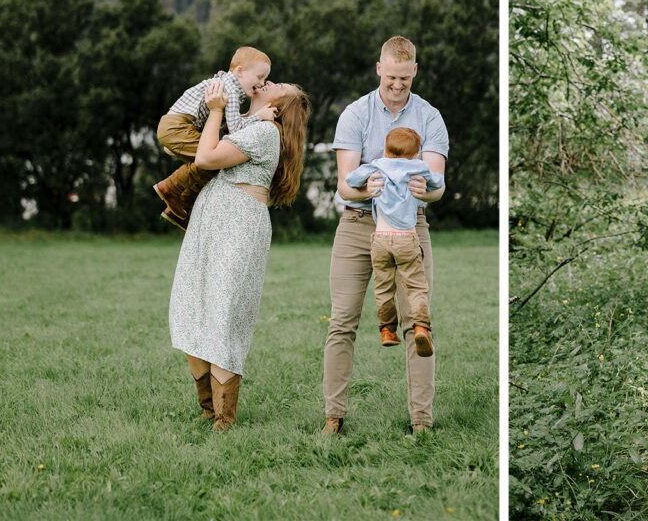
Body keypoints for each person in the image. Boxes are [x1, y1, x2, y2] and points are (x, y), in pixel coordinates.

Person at [322, 36, 448, 436]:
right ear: (379, 69)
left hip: (411, 230)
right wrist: (368, 190)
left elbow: (437, 184)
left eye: (404, 79)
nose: (397, 85)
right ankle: (334, 418)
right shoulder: (355, 114)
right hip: (358, 227)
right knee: (342, 321)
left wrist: (422, 191)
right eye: (391, 77)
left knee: (419, 322)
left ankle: (421, 423)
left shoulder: (430, 117)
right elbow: (344, 185)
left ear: (415, 72)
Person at [169, 79, 311, 431]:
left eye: (279, 84)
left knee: (223, 314)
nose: (270, 81)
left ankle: (223, 417)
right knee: (192, 305)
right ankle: (207, 408)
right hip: (212, 221)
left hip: (237, 224)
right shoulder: (252, 124)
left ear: (281, 106)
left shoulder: (266, 132)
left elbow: (205, 157)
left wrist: (216, 110)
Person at [345, 127, 444, 353]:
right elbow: (437, 183)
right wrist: (425, 177)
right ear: (416, 153)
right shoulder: (418, 168)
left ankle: (387, 330)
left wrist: (367, 179)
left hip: (380, 239)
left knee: (383, 288)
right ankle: (421, 327)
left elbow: (351, 179)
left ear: (386, 150)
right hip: (407, 238)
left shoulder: (377, 166)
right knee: (416, 287)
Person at [153, 46, 274, 230]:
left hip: (176, 126)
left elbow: (228, 125)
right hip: (178, 126)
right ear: (239, 71)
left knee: (212, 164)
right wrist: (260, 116)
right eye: (259, 77)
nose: (262, 83)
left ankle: (179, 206)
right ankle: (170, 187)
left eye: (264, 78)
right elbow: (234, 130)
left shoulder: (227, 85)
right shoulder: (230, 90)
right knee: (214, 159)